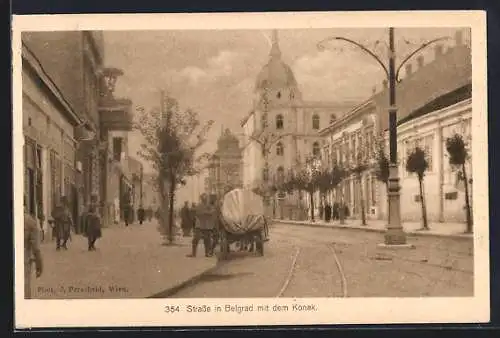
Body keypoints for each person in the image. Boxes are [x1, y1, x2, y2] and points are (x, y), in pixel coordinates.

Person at [24, 212, 43, 299]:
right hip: (24, 260)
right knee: (24, 287)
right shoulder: (29, 221)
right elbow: (36, 248)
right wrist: (39, 266)